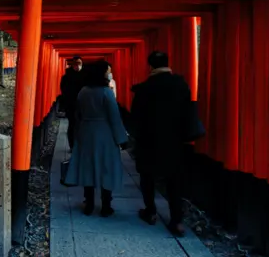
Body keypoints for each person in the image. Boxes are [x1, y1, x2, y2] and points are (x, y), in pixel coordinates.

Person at [130, 51, 192, 237]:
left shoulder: (144, 89)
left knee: (147, 176)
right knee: (174, 180)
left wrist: (136, 138)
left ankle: (150, 211)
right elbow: (188, 111)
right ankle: (177, 220)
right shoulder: (180, 85)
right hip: (174, 140)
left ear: (151, 66)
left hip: (149, 141)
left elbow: (136, 118)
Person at [63, 60, 128, 217]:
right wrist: (122, 138)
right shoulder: (106, 92)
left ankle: (89, 203)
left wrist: (77, 133)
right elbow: (114, 117)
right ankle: (106, 205)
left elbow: (77, 114)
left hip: (86, 132)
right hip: (104, 133)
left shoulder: (83, 91)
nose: (109, 74)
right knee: (106, 167)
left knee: (87, 167)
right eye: (107, 71)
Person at [59, 56, 84, 150]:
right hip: (71, 105)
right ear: (72, 64)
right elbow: (64, 90)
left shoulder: (85, 76)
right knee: (73, 125)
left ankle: (78, 145)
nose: (78, 66)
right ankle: (73, 145)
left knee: (80, 125)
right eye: (76, 63)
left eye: (79, 63)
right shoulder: (66, 77)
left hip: (82, 105)